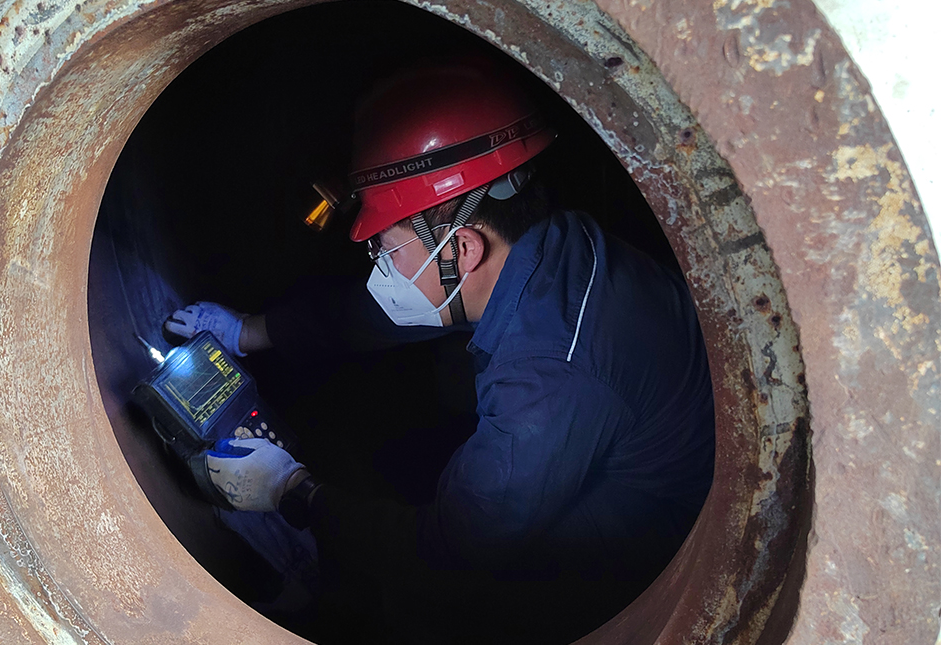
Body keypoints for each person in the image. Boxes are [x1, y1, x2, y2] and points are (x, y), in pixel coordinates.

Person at [165, 59, 714, 643]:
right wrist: (251, 330)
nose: (379, 268)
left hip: (655, 538)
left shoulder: (544, 384)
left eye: (385, 250)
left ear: (463, 249)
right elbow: (388, 311)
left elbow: (445, 553)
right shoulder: (552, 247)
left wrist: (292, 490)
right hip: (636, 430)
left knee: (435, 605)